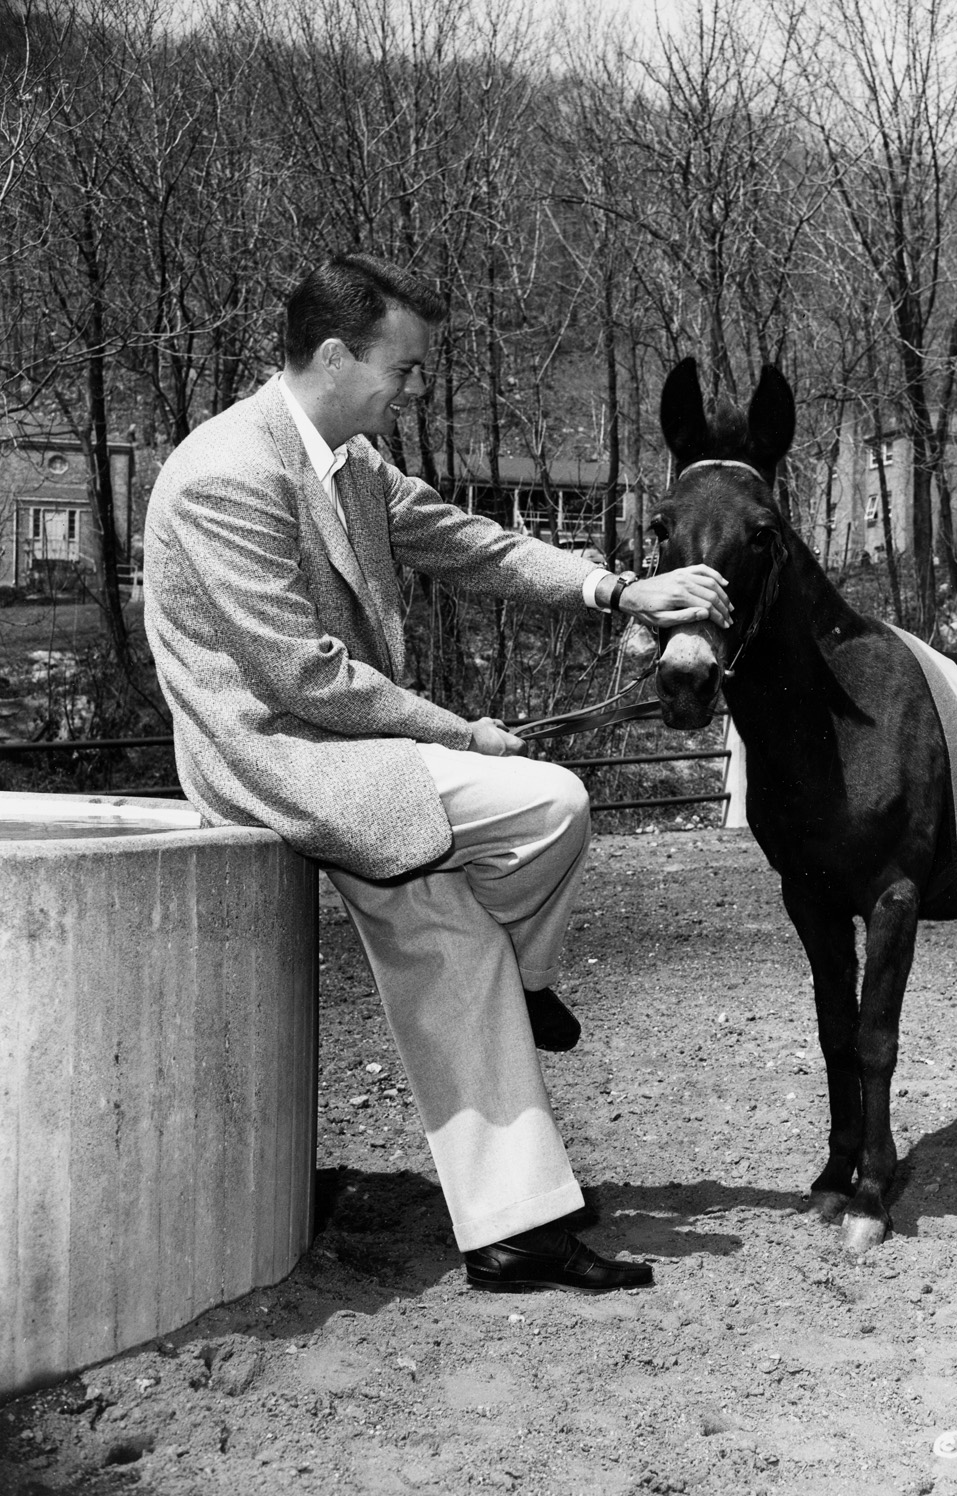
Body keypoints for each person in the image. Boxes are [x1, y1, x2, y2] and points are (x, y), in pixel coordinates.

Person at [143, 252, 731, 1294]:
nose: (410, 388)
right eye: (403, 368)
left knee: (459, 952)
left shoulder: (350, 460)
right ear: (335, 354)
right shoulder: (227, 470)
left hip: (349, 754)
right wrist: (458, 734)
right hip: (280, 759)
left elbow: (472, 543)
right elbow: (303, 674)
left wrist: (617, 588)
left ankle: (517, 1232)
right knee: (550, 801)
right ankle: (535, 980)